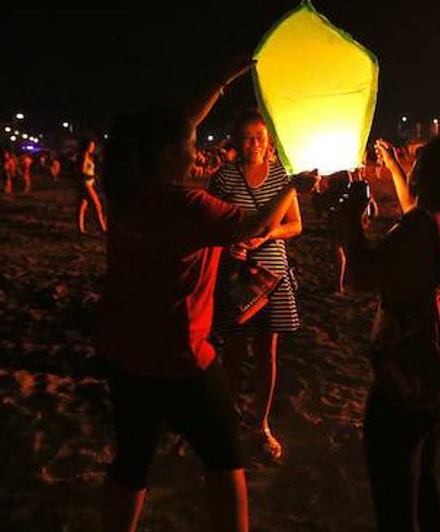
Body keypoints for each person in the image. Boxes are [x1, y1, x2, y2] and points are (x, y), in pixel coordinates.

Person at [96, 60, 317, 532]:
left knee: (131, 461)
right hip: (183, 358)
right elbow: (257, 226)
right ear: (169, 156)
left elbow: (172, 129)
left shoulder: (122, 191)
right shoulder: (188, 205)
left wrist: (218, 80)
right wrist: (295, 185)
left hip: (123, 352)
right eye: (191, 147)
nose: (198, 151)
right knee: (224, 459)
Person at [339, 137, 440, 532]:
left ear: (421, 178)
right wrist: (390, 163)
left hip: (403, 376)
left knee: (395, 499)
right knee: (424, 481)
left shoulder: (418, 227)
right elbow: (413, 210)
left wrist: (350, 220)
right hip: (435, 376)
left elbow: (364, 277)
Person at [209, 110, 302, 460]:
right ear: (235, 140)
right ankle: (231, 417)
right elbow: (213, 224)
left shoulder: (281, 176)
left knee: (267, 353)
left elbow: (295, 225)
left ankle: (261, 424)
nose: (254, 144)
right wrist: (227, 243)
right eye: (247, 137)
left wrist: (267, 236)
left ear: (268, 142)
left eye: (260, 137)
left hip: (272, 273)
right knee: (233, 352)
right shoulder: (223, 179)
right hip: (235, 272)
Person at [78, 139, 107, 234]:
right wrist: (92, 176)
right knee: (97, 205)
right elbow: (83, 171)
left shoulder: (90, 157)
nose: (93, 148)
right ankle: (103, 228)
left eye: (93, 146)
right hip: (87, 184)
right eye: (91, 146)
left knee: (83, 206)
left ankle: (81, 228)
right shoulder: (85, 156)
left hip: (90, 183)